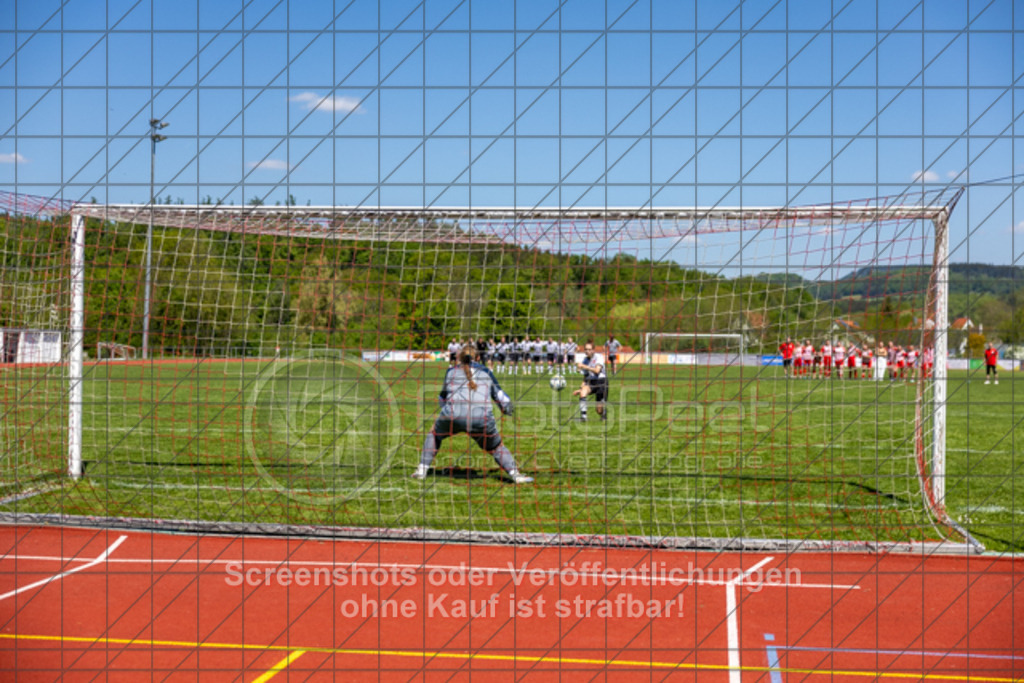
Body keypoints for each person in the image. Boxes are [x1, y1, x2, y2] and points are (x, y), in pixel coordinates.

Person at [414, 345, 533, 484]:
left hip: (453, 414)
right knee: (496, 447)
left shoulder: (451, 371)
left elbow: (442, 399)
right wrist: (507, 410)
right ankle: (516, 475)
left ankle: (421, 471)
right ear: (478, 358)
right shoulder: (487, 372)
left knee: (434, 434)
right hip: (481, 418)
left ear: (459, 358)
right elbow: (503, 399)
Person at [573, 341, 609, 422]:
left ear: (593, 350)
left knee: (599, 410)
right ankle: (583, 417)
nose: (587, 351)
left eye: (589, 349)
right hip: (591, 382)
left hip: (602, 382)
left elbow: (597, 371)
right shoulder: (585, 360)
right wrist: (580, 388)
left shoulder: (598, 357)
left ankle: (603, 413)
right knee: (583, 393)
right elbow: (585, 377)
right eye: (586, 349)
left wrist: (584, 366)